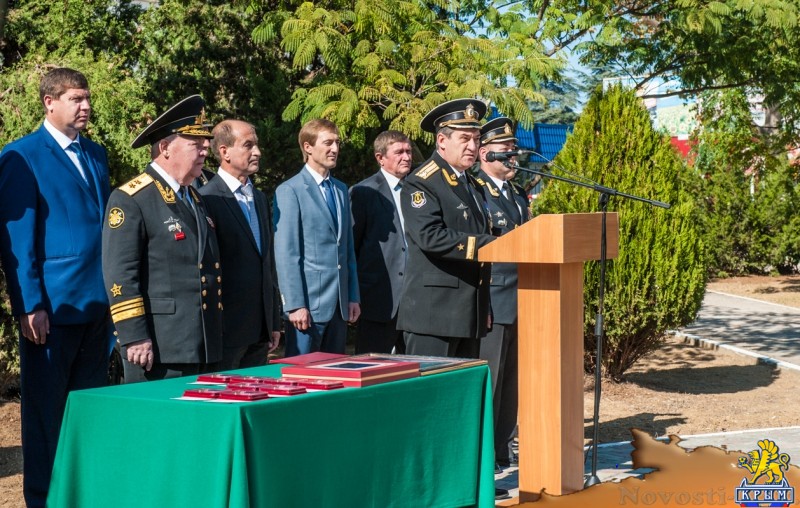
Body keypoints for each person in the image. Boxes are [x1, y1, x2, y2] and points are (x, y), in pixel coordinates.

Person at [0, 67, 112, 508]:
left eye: (86, 99)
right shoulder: (22, 156)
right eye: (75, 99)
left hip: (97, 305)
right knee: (47, 416)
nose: (85, 107)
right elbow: (18, 242)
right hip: (51, 309)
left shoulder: (97, 154)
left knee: (88, 411)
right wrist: (29, 305)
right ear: (49, 102)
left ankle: (83, 496)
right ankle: (44, 499)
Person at [102, 95, 223, 383]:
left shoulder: (194, 196)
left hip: (199, 341)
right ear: (166, 148)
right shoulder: (132, 198)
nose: (205, 150)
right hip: (157, 345)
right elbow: (120, 273)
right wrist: (134, 335)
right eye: (195, 143)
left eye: (205, 143)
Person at [396, 98, 495, 359]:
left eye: (476, 139)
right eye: (465, 138)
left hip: (468, 313)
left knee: (461, 397)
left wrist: (484, 306)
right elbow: (431, 237)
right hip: (434, 315)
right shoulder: (422, 181)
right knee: (431, 397)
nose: (473, 146)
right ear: (442, 141)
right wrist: (491, 245)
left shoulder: (473, 185)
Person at [273, 118, 360, 356]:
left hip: (340, 307)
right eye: (328, 142)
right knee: (301, 379)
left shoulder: (341, 189)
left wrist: (352, 296)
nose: (335, 149)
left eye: (337, 143)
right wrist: (295, 304)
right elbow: (286, 254)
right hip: (308, 308)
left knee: (337, 377)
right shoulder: (290, 190)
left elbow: (347, 249)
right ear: (308, 147)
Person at [199, 119, 281, 369]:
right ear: (224, 152)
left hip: (259, 328)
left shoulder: (257, 197)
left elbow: (267, 262)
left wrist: (273, 321)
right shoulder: (207, 198)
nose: (257, 152)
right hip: (227, 329)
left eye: (256, 145)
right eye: (248, 145)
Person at [475, 117, 530, 469]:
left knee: (512, 385)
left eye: (513, 150)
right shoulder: (476, 190)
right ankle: (484, 455)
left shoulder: (517, 193)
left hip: (524, 300)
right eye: (506, 150)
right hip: (493, 300)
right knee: (492, 383)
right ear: (485, 152)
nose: (513, 156)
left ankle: (501, 447)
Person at [350, 131, 413, 354]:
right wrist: (354, 295)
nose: (406, 157)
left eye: (408, 151)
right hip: (377, 298)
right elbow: (353, 247)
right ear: (380, 158)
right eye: (399, 152)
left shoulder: (417, 190)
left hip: (413, 301)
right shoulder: (364, 192)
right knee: (372, 366)